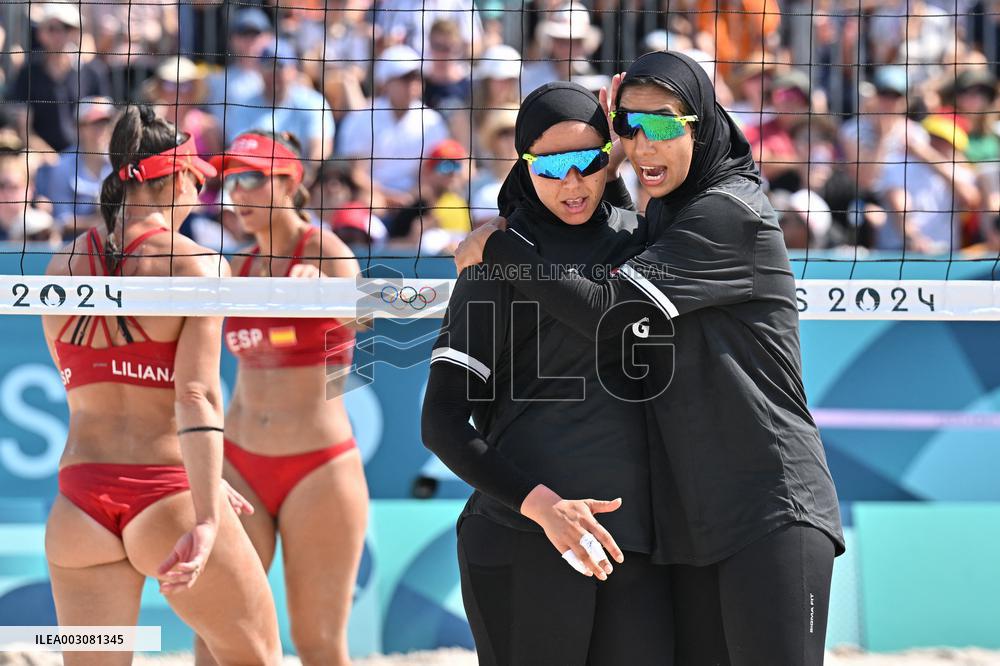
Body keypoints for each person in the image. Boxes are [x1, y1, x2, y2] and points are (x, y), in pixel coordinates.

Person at [455, 52, 845, 666]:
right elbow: (605, 231)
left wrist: (500, 247)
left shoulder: (727, 212)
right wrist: (599, 154)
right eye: (630, 126)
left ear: (701, 125)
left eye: (663, 123)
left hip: (770, 502)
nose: (644, 142)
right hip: (690, 518)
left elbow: (607, 310)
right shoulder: (664, 212)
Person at [422, 81, 673, 666]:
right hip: (526, 538)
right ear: (524, 165)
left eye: (588, 161)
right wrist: (544, 508)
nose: (572, 182)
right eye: (552, 166)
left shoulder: (644, 242)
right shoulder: (494, 260)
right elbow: (441, 423)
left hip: (635, 543)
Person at [40, 105, 281, 665]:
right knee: (258, 658)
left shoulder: (59, 266)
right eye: (198, 181)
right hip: (167, 496)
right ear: (173, 179)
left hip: (78, 506)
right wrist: (206, 513)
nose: (200, 195)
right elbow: (195, 396)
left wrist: (203, 477)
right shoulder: (197, 266)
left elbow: (88, 386)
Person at [200, 130, 369, 666]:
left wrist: (325, 295)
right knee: (215, 639)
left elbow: (363, 322)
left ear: (289, 182)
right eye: (231, 181)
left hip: (318, 468)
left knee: (318, 642)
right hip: (238, 464)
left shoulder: (325, 249)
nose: (237, 193)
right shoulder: (238, 266)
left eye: (251, 178)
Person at [34, 96, 114, 238]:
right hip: (73, 244)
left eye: (105, 123)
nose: (100, 130)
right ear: (79, 128)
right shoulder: (62, 167)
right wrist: (100, 222)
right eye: (94, 124)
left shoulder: (119, 163)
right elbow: (62, 221)